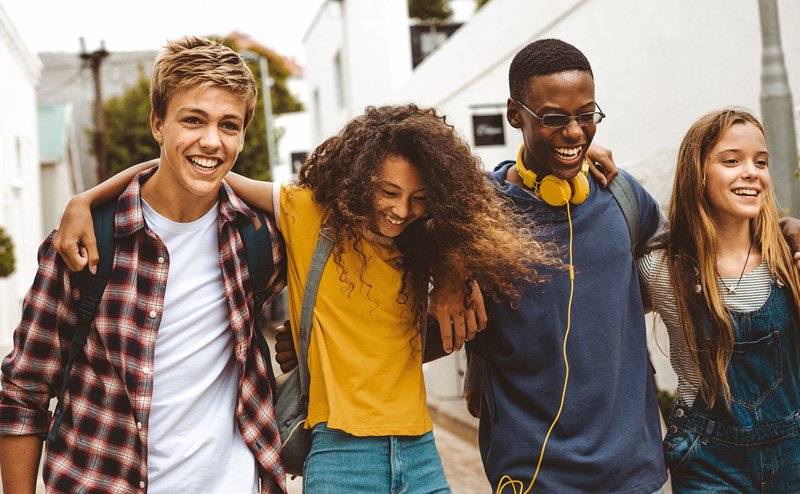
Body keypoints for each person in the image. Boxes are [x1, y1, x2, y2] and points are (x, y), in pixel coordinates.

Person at [52, 102, 578, 491]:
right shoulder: (309, 215)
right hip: (339, 455)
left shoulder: (426, 240)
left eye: (417, 200)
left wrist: (454, 269)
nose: (399, 211)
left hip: (419, 451)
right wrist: (86, 197)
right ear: (359, 178)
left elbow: (491, 196)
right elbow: (201, 174)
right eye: (387, 192)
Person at [0, 37, 287, 493]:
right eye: (193, 119)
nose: (211, 140)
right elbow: (23, 393)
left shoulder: (259, 240)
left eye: (228, 125)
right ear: (158, 123)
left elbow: (354, 236)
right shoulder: (87, 243)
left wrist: (448, 273)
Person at [473, 38, 669, 493]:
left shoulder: (622, 196)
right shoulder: (479, 216)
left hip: (633, 472)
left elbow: (700, 248)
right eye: (555, 119)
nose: (576, 133)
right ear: (514, 114)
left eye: (587, 115)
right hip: (531, 476)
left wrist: (780, 227)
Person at [638, 108, 800, 492]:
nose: (751, 172)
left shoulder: (789, 259)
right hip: (706, 460)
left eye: (760, 162)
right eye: (732, 161)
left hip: (794, 454)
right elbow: (600, 306)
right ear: (697, 172)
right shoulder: (661, 268)